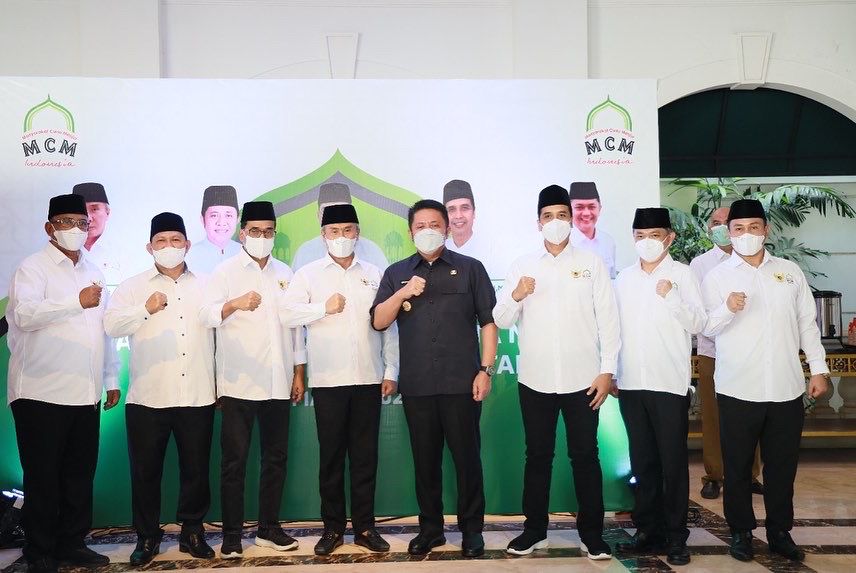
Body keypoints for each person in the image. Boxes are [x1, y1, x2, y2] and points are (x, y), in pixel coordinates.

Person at [493, 185, 618, 561]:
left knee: (586, 456)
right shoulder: (523, 265)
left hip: (584, 380)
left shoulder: (592, 263)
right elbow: (501, 319)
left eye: (562, 215)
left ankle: (592, 535)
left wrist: (607, 371)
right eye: (548, 216)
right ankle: (534, 531)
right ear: (538, 223)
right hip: (536, 380)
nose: (556, 222)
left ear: (571, 220)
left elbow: (609, 320)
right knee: (537, 456)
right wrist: (516, 294)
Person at [701, 198, 830, 563]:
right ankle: (741, 532)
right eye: (739, 229)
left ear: (766, 230)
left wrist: (818, 368)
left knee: (782, 467)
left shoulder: (789, 272)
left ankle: (779, 531)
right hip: (737, 388)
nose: (747, 235)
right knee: (738, 467)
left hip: (785, 387)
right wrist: (727, 308)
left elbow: (807, 323)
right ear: (729, 233)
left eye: (753, 228)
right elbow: (706, 328)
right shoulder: (716, 277)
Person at [371, 199, 497, 558]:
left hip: (462, 384)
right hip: (418, 386)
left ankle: (472, 531)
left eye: (434, 224)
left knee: (467, 461)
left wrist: (485, 370)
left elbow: (488, 322)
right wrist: (403, 292)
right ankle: (431, 530)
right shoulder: (396, 272)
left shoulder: (470, 268)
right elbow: (379, 320)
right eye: (420, 225)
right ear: (410, 232)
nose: (428, 230)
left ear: (447, 228)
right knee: (425, 463)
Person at [6, 193, 120, 573]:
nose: (76, 229)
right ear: (49, 227)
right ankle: (39, 550)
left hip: (84, 392)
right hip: (40, 391)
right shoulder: (32, 268)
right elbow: (24, 316)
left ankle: (72, 543)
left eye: (82, 223)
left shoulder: (94, 270)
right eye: (67, 222)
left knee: (78, 476)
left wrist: (110, 377)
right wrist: (76, 301)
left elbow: (103, 331)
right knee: (43, 478)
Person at [282, 203, 398, 556]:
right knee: (331, 458)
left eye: (348, 230)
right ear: (323, 235)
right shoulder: (308, 274)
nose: (342, 237)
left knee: (365, 458)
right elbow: (287, 314)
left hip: (367, 377)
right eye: (334, 231)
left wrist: (391, 370)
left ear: (357, 233)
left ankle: (365, 527)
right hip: (328, 381)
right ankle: (332, 528)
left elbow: (388, 325)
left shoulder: (376, 274)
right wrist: (322, 308)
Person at [104, 213, 216, 565]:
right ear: (149, 247)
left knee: (196, 470)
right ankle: (147, 537)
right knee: (145, 472)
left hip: (197, 393)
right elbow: (111, 325)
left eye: (176, 240)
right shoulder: (132, 286)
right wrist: (145, 309)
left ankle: (192, 532)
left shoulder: (207, 284)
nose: (169, 246)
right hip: (148, 396)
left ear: (187, 244)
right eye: (161, 241)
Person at [201, 201, 306, 559]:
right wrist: (234, 304)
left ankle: (268, 528)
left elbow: (295, 327)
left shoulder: (286, 273)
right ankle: (232, 534)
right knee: (235, 462)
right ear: (243, 233)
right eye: (255, 231)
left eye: (269, 231)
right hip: (238, 383)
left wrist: (298, 371)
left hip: (279, 380)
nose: (262, 237)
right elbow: (206, 316)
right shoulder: (224, 272)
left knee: (275, 459)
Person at [613, 208, 706, 566]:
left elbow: (698, 323)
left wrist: (672, 298)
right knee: (643, 462)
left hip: (669, 384)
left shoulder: (683, 274)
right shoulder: (624, 278)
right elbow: (615, 329)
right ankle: (647, 531)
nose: (647, 242)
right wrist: (614, 372)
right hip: (632, 384)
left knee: (672, 464)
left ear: (670, 238)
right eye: (640, 236)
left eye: (654, 235)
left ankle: (676, 536)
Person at [690, 207, 763, 499]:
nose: (720, 228)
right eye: (715, 223)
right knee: (713, 416)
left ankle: (750, 474)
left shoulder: (756, 261)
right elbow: (698, 311)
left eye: (725, 222)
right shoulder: (700, 265)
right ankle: (714, 475)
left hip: (750, 353)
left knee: (753, 414)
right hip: (713, 352)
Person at [291, 182, 389, 271]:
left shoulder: (372, 251)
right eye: (327, 211)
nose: (335, 216)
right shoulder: (305, 252)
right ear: (318, 215)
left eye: (342, 210)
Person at [72, 182, 123, 285]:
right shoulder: (63, 252)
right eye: (81, 211)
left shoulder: (122, 252)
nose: (88, 218)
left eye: (94, 209)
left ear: (107, 212)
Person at [184, 185, 242, 274]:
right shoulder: (189, 256)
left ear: (237, 219)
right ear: (202, 219)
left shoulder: (246, 253)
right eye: (214, 215)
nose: (221, 222)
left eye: (228, 215)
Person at [569, 181, 617, 279]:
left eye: (592, 207)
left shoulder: (608, 241)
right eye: (579, 207)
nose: (586, 213)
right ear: (569, 210)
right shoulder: (564, 243)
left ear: (599, 209)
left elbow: (612, 279)